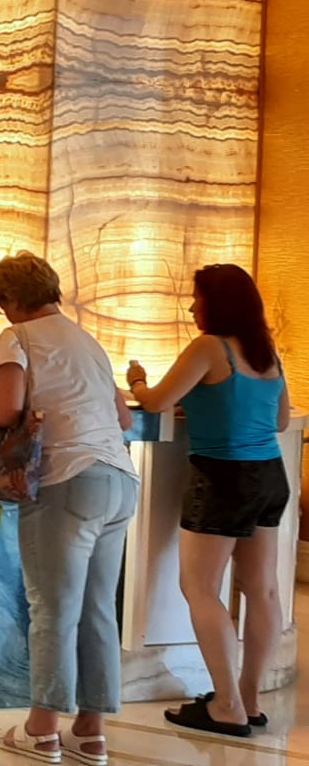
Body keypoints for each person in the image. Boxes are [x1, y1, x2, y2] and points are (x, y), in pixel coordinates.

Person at [0, 252, 138, 765]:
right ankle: (90, 733)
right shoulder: (88, 340)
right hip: (119, 479)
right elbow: (123, 418)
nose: (1, 312)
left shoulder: (18, 337)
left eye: (0, 302)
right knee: (97, 610)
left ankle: (42, 731)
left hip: (67, 480)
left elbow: (4, 408)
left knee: (52, 610)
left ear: (9, 299)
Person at [125, 264, 292, 737]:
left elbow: (155, 402)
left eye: (196, 298)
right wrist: (205, 403)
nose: (191, 307)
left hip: (222, 476)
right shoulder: (265, 351)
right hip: (269, 474)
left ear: (218, 303)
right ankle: (250, 700)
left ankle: (226, 705)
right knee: (263, 590)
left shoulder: (208, 347)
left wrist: (137, 380)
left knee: (199, 588)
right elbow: (279, 421)